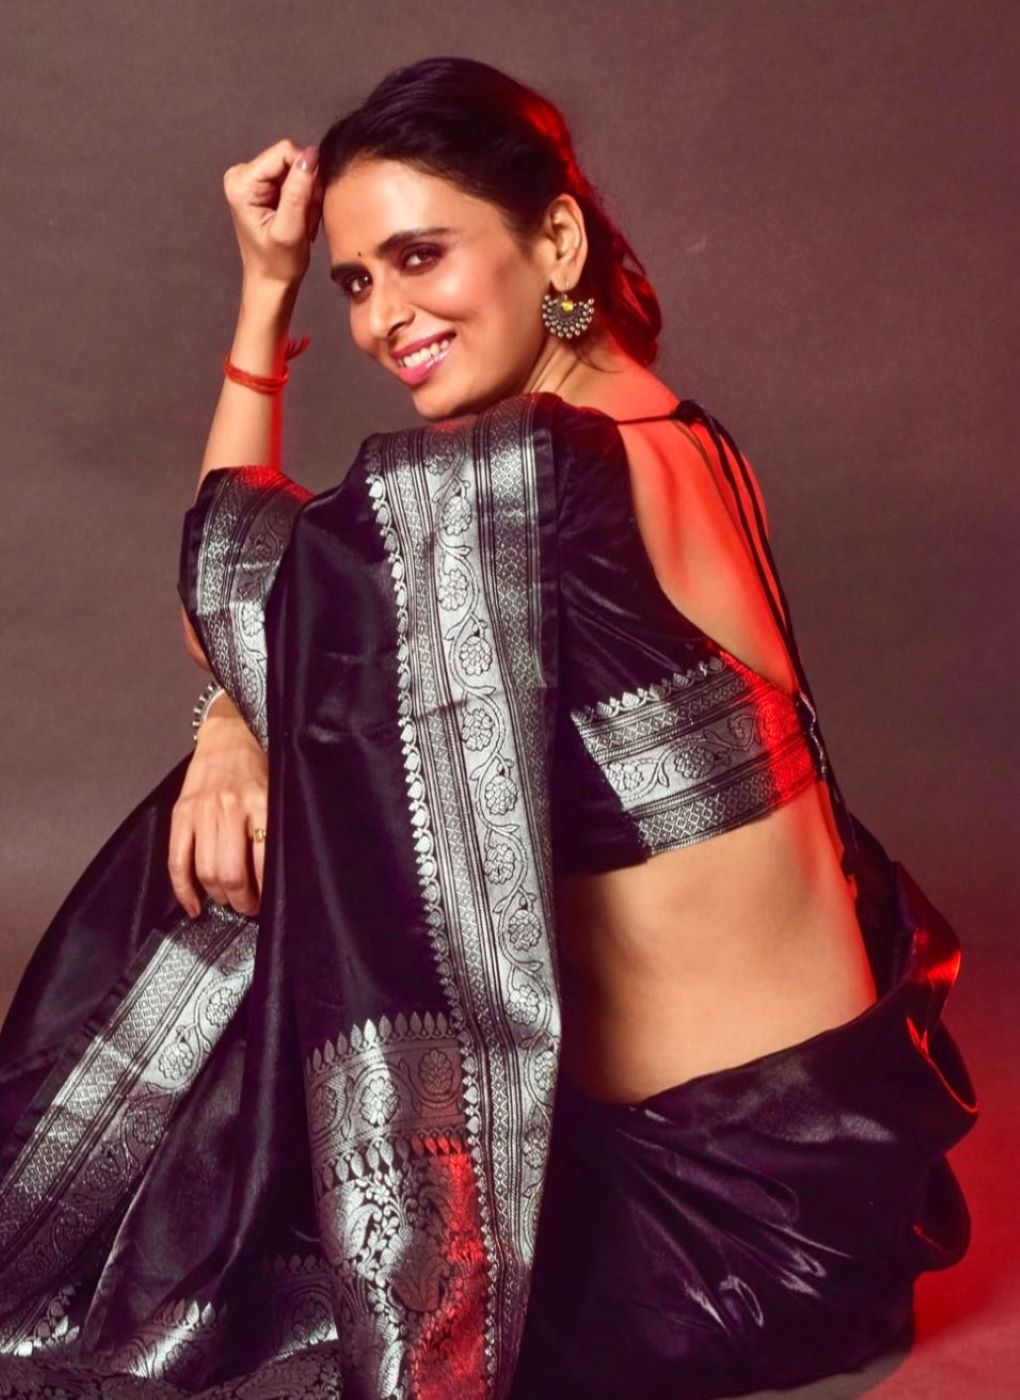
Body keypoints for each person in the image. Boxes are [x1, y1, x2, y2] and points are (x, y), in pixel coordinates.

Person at [0, 55, 976, 1400]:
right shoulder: (680, 435)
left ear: (555, 239)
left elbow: (219, 594)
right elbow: (284, 631)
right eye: (351, 283)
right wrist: (240, 713)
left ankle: (59, 1210)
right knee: (299, 772)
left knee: (254, 850)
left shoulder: (538, 477)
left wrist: (261, 294)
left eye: (420, 257)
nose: (384, 319)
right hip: (835, 1177)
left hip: (720, 1240)